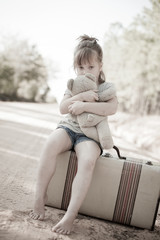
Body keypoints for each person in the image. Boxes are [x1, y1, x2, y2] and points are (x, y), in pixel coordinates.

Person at [29, 35, 118, 235]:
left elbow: (111, 108)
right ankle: (39, 196)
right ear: (75, 68)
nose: (85, 72)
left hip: (90, 134)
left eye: (91, 67)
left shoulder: (105, 88)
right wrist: (81, 96)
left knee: (87, 161)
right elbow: (62, 108)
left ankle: (70, 215)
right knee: (50, 144)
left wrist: (85, 105)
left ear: (100, 66)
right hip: (69, 127)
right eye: (80, 68)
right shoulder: (73, 86)